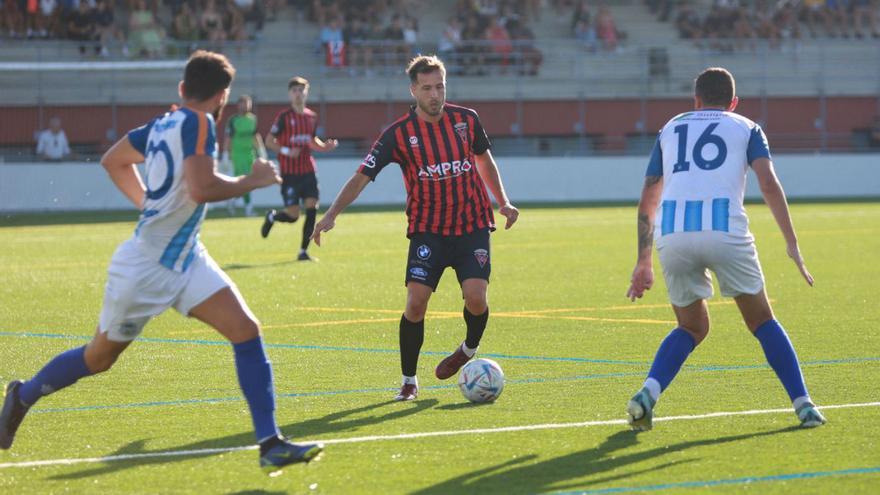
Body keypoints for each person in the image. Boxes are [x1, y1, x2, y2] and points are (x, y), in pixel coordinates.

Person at [0, 51, 323, 472]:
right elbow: (203, 187)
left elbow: (112, 159)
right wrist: (251, 180)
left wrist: (147, 205)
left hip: (186, 257)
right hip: (146, 266)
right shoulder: (202, 122)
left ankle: (269, 443)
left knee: (245, 330)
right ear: (223, 96)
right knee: (98, 358)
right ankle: (22, 396)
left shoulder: (162, 122)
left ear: (182, 89)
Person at [625, 67, 826, 431]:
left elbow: (648, 198)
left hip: (674, 234)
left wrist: (643, 261)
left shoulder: (669, 128)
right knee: (762, 321)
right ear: (733, 102)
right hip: (724, 231)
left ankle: (647, 394)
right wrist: (792, 243)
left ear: (696, 100)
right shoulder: (746, 126)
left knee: (691, 326)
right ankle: (804, 405)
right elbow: (768, 183)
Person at [311, 55, 519, 401]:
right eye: (427, 88)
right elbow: (363, 175)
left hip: (471, 225)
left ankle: (468, 349)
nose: (435, 94)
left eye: (440, 86)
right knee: (416, 303)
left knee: (477, 299)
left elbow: (483, 159)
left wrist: (503, 201)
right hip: (429, 231)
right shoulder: (398, 134)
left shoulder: (467, 121)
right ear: (413, 90)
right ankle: (409, 380)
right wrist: (331, 214)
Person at [261, 76, 338, 261]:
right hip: (289, 173)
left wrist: (324, 147)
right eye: (294, 90)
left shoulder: (311, 117)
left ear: (306, 93)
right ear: (290, 94)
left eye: (301, 90)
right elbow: (269, 141)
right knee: (293, 215)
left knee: (312, 208)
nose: (298, 94)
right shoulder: (284, 117)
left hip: (308, 171)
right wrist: (287, 151)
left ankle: (303, 251)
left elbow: (311, 141)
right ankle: (272, 217)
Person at [223, 94, 266, 216]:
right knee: (245, 182)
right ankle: (248, 209)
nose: (246, 105)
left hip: (249, 155)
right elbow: (228, 138)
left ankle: (232, 200)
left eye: (248, 103)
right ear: (238, 105)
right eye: (243, 103)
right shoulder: (233, 120)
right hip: (238, 156)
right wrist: (225, 154)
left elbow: (255, 136)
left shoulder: (253, 119)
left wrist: (261, 150)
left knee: (248, 183)